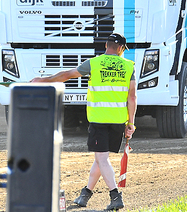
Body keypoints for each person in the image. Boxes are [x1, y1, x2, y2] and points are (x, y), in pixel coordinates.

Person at [31, 33, 137, 211]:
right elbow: (132, 97)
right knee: (101, 158)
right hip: (118, 120)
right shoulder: (128, 66)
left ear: (106, 45)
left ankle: (115, 196)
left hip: (99, 119)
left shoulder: (94, 63)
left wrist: (43, 80)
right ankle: (85, 194)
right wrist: (131, 123)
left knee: (101, 158)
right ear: (120, 49)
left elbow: (67, 75)